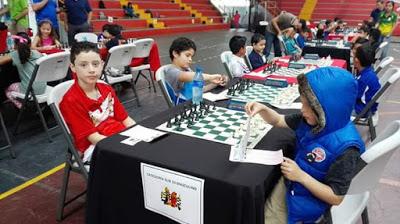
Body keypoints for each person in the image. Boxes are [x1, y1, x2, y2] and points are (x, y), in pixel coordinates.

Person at [245, 67, 366, 223]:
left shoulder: (347, 149)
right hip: (296, 185)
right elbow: (278, 120)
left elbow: (336, 197)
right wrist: (263, 108)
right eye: (302, 104)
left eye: (308, 106)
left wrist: (301, 177)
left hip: (306, 202)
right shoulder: (311, 120)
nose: (303, 110)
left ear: (326, 109)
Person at [60, 41, 136, 163]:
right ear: (73, 67)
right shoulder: (71, 101)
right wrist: (123, 147)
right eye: (83, 65)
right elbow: (93, 137)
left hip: (118, 137)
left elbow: (125, 119)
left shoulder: (107, 89)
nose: (91, 70)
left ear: (102, 64)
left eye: (95, 64)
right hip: (95, 147)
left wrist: (140, 134)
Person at [163, 37, 227, 105]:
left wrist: (215, 83)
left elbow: (199, 90)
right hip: (182, 110)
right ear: (175, 53)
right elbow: (191, 76)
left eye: (191, 57)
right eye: (187, 55)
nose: (190, 59)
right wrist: (211, 77)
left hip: (193, 104)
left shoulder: (187, 70)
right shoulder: (172, 72)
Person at [0, 32, 46, 108]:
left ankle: (21, 106)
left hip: (29, 90)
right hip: (43, 88)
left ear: (15, 45)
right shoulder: (37, 53)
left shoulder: (15, 54)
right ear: (30, 44)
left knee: (7, 90)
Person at [353, 44, 381, 118]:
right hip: (368, 107)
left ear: (356, 60)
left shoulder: (363, 79)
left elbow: (352, 97)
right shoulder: (368, 71)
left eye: (354, 55)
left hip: (362, 110)